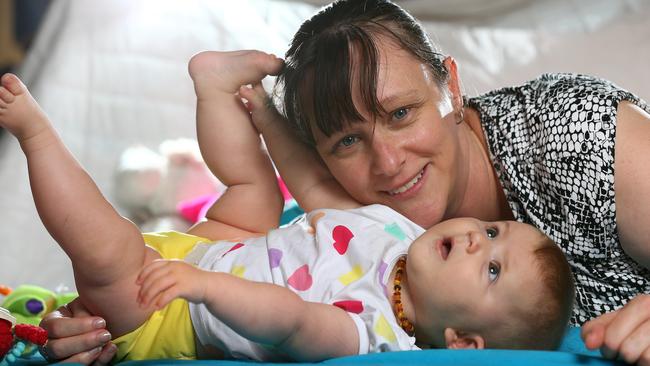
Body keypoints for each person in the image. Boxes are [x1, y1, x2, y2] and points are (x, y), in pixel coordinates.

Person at [40, 0, 650, 364]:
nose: (386, 164)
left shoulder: (571, 136)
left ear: (452, 87)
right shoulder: (365, 225)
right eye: (348, 141)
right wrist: (98, 324)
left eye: (402, 112)